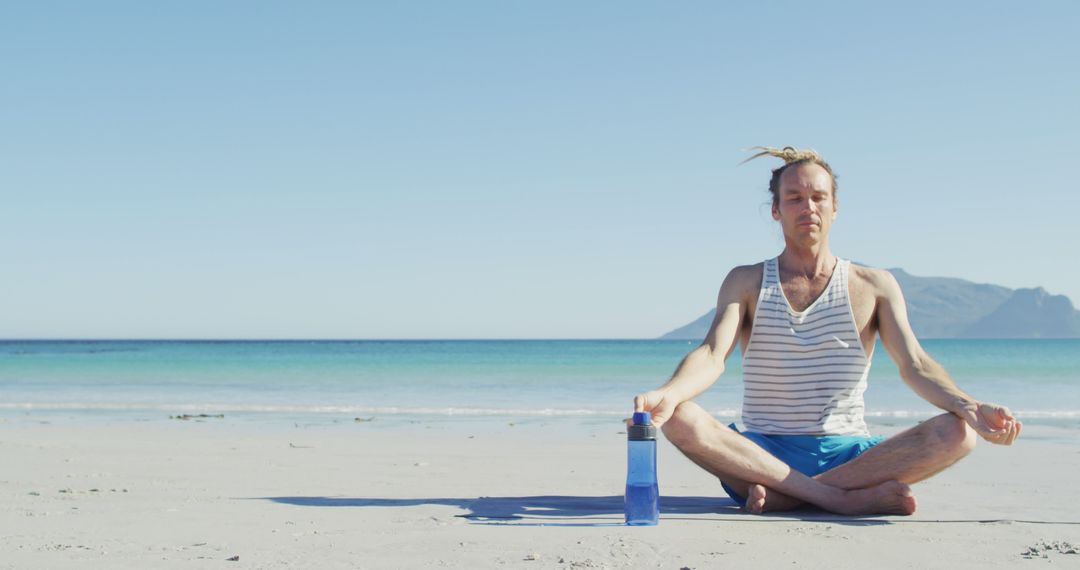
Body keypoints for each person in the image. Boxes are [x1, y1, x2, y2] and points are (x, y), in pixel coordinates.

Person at [633, 146, 1022, 516]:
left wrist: (969, 406)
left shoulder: (875, 285)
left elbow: (915, 364)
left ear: (835, 207)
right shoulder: (747, 281)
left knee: (958, 432)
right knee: (681, 417)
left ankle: (796, 497)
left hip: (852, 457)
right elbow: (712, 354)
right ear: (775, 210)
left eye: (818, 197)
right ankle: (838, 499)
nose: (808, 207)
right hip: (758, 457)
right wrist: (669, 393)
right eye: (794, 198)